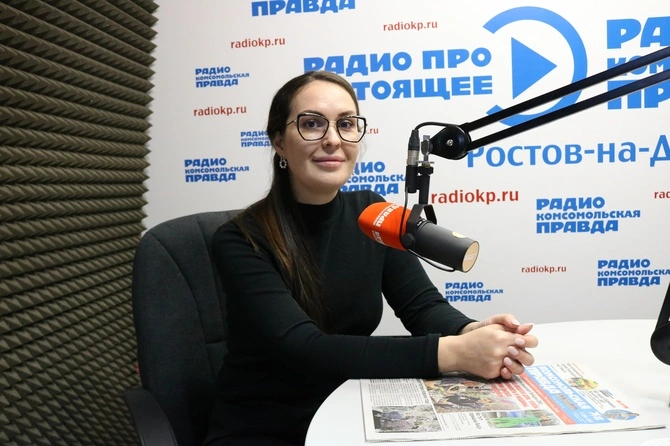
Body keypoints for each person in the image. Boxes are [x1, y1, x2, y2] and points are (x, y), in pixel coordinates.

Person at [203, 70, 538, 446]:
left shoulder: (372, 214)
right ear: (279, 142)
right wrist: (454, 352)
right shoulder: (240, 239)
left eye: (346, 124)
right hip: (267, 429)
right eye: (312, 124)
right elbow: (306, 349)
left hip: (349, 412)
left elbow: (422, 306)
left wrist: (468, 331)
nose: (333, 139)